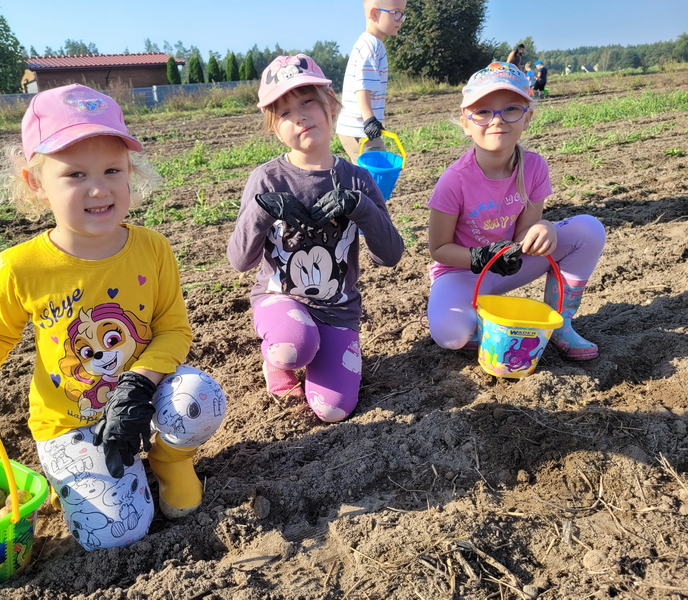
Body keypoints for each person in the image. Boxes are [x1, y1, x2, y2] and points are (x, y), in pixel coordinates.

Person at [0, 83, 227, 551]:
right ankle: (73, 474)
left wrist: (139, 385)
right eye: (74, 174)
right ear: (35, 182)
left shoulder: (152, 248)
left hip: (140, 400)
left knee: (202, 396)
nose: (99, 188)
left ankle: (168, 460)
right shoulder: (22, 266)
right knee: (118, 533)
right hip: (70, 421)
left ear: (130, 172)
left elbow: (173, 329)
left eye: (112, 170)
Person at [228, 54, 404, 422]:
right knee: (293, 346)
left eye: (307, 101)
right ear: (275, 128)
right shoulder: (267, 180)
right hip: (280, 301)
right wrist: (262, 210)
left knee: (333, 409)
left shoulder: (357, 180)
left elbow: (390, 255)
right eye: (284, 112)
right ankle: (278, 361)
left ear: (332, 105)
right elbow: (239, 261)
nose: (300, 116)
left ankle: (319, 350)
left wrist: (360, 207)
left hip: (337, 310)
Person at [425, 62, 605, 360]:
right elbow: (439, 249)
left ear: (527, 117)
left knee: (588, 230)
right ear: (467, 123)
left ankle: (559, 324)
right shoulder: (454, 180)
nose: (497, 120)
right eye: (483, 112)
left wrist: (543, 228)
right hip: (463, 272)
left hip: (510, 263)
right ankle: (475, 320)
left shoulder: (534, 167)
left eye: (510, 109)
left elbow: (524, 232)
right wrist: (480, 257)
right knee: (450, 335)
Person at [336, 0, 408, 164]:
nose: (401, 19)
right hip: (360, 129)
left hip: (353, 127)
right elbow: (362, 87)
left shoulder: (367, 43)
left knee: (363, 173)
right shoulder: (372, 46)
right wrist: (369, 121)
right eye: (396, 13)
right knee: (377, 173)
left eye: (403, 13)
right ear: (374, 14)